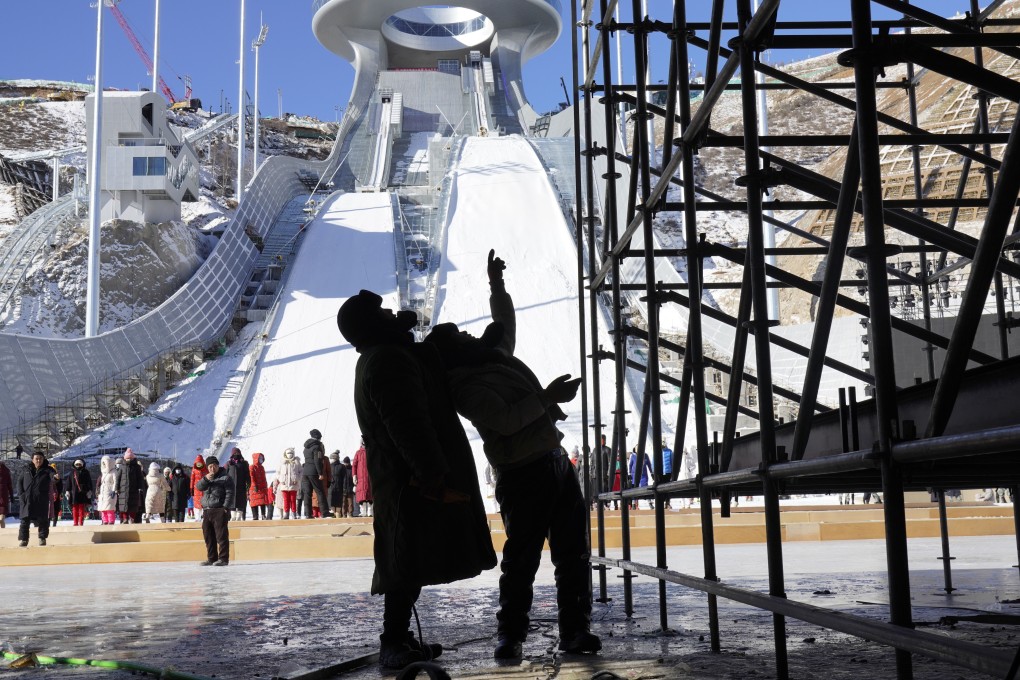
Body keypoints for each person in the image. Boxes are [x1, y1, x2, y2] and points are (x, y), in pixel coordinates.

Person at [424, 250, 600, 659]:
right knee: (521, 560)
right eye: (460, 337)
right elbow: (505, 420)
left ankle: (575, 630)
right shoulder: (464, 387)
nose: (470, 336)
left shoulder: (493, 357)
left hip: (555, 463)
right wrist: (546, 397)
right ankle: (510, 634)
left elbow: (504, 322)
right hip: (523, 474)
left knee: (573, 554)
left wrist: (496, 285)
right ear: (453, 355)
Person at [338, 288, 496, 670]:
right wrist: (431, 473)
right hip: (409, 480)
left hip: (406, 478)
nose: (394, 314)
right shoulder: (387, 361)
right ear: (371, 326)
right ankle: (393, 639)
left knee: (411, 555)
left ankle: (399, 635)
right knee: (405, 558)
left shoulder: (387, 356)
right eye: (384, 313)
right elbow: (408, 424)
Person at [195, 455, 234, 566]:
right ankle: (211, 558)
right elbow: (198, 487)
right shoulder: (206, 477)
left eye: (214, 466)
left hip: (219, 509)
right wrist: (206, 479)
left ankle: (223, 559)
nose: (212, 469)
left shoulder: (225, 477)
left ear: (218, 465)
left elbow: (230, 493)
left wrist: (225, 508)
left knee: (221, 536)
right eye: (210, 466)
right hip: (207, 510)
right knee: (208, 536)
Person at [18, 452, 52, 546]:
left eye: (40, 458)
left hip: (41, 499)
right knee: (25, 520)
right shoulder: (26, 469)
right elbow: (19, 482)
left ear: (43, 459)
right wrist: (21, 495)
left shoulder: (47, 470)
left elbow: (52, 476)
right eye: (36, 458)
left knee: (43, 520)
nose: (38, 460)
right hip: (27, 499)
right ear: (32, 459)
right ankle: (24, 540)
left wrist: (56, 478)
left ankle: (42, 538)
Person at [300, 430, 330, 519]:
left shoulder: (306, 447)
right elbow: (317, 460)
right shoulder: (317, 447)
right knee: (320, 492)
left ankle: (308, 514)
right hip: (313, 472)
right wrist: (320, 473)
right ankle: (324, 512)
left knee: (307, 494)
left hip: (305, 472)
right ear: (318, 437)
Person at [116, 449, 144, 524]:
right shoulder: (122, 467)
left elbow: (140, 478)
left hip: (133, 489)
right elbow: (118, 478)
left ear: (133, 458)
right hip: (123, 490)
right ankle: (125, 519)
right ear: (125, 458)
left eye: (130, 458)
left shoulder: (137, 467)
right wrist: (117, 488)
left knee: (133, 506)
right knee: (123, 505)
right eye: (127, 458)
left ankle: (132, 519)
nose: (129, 459)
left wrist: (140, 487)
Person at [273, 447, 301, 519]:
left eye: (291, 453)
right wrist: (281, 479)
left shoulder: (296, 462)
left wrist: (297, 479)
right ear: (285, 454)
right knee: (285, 500)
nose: (290, 455)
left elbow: (301, 472)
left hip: (293, 485)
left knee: (293, 500)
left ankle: (294, 514)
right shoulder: (282, 462)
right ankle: (286, 514)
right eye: (288, 453)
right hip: (284, 485)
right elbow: (277, 472)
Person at [64, 459, 94, 526]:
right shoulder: (72, 473)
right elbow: (69, 483)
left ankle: (81, 522)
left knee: (81, 509)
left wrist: (89, 491)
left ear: (82, 464)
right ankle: (75, 522)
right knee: (74, 509)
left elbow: (89, 482)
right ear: (74, 465)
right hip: (74, 493)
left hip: (83, 493)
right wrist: (67, 491)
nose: (78, 465)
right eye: (77, 464)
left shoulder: (86, 472)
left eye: (79, 464)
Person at [226, 448, 251, 521]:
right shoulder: (229, 463)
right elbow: (225, 474)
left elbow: (247, 475)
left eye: (237, 454)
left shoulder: (244, 463)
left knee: (241, 501)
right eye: (235, 454)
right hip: (231, 486)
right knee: (232, 501)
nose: (236, 455)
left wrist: (248, 484)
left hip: (241, 486)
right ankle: (233, 516)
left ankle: (239, 516)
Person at [352, 438, 373, 517]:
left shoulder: (370, 451)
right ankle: (363, 511)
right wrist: (354, 475)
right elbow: (354, 465)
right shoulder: (358, 453)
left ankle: (370, 511)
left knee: (370, 495)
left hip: (369, 478)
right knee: (362, 495)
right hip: (361, 478)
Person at [248, 452, 270, 520]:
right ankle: (255, 516)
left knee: (262, 501)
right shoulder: (252, 467)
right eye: (259, 458)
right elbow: (251, 477)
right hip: (255, 488)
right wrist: (254, 485)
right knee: (254, 502)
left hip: (262, 487)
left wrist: (265, 485)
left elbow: (264, 477)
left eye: (261, 458)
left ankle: (263, 515)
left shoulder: (262, 467)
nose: (261, 459)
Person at [96, 455, 117, 525]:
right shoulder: (103, 473)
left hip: (109, 492)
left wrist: (114, 490)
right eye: (103, 463)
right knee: (103, 509)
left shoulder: (114, 472)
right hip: (103, 493)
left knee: (110, 509)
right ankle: (104, 521)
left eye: (105, 463)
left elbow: (115, 482)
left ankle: (111, 521)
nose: (104, 465)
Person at [328, 451, 345, 518]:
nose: (330, 460)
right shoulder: (329, 466)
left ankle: (338, 521)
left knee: (337, 508)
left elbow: (344, 478)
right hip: (332, 489)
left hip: (337, 489)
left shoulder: (341, 466)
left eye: (331, 458)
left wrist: (344, 488)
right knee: (332, 509)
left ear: (334, 458)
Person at [190, 455, 207, 521]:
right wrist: (191, 488)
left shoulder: (205, 469)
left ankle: (204, 518)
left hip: (204, 490)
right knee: (197, 505)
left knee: (204, 504)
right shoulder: (194, 470)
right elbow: (192, 479)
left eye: (200, 463)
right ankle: (197, 518)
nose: (199, 465)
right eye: (198, 463)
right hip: (196, 490)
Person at [0, 459, 13, 529]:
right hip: (3, 496)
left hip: (3, 497)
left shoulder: (5, 471)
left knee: (1, 519)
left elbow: (9, 485)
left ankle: (2, 533)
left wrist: (11, 495)